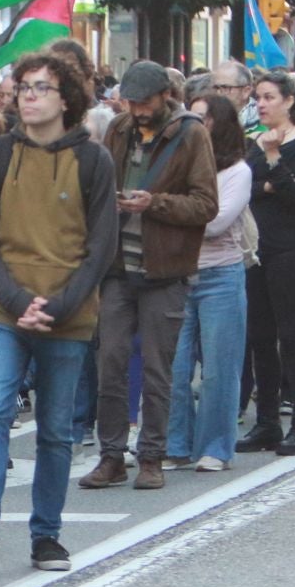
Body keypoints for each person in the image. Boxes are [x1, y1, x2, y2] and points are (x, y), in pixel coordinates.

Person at [0, 52, 117, 570]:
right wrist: (19, 302)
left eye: (41, 87)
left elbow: (102, 245)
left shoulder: (93, 160)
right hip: (4, 304)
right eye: (22, 87)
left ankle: (47, 535)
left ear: (67, 97)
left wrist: (61, 303)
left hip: (68, 310)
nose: (29, 95)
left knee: (54, 427)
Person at [82, 60, 217, 492]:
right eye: (131, 102)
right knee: (111, 362)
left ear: (165, 96)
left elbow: (205, 205)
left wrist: (153, 203)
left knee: (159, 370)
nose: (137, 110)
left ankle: (152, 456)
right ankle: (111, 455)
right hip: (119, 267)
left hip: (166, 268)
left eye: (144, 102)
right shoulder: (118, 129)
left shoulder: (191, 133)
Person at [238, 72, 295, 457]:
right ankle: (268, 422)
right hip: (258, 249)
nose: (262, 104)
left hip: (293, 250)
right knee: (260, 337)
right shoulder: (252, 143)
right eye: (258, 98)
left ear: (289, 101)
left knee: (290, 335)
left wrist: (274, 159)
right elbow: (246, 188)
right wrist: (267, 183)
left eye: (270, 97)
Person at [164, 95, 251, 472]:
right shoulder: (177, 163)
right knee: (174, 367)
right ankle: (175, 444)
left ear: (221, 124)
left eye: (203, 118)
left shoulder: (238, 171)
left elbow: (215, 221)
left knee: (218, 369)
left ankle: (215, 446)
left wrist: (173, 211)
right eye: (190, 117)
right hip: (178, 275)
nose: (194, 125)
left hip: (221, 276)